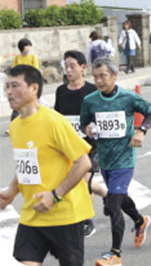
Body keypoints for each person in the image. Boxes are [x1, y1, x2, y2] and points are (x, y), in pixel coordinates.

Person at [0, 65, 93, 265]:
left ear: (34, 88)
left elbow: (83, 162)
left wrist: (55, 195)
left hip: (65, 216)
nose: (8, 92)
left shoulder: (54, 122)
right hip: (32, 214)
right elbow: (29, 165)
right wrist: (12, 191)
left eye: (15, 85)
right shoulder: (15, 126)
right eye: (6, 86)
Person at [80, 57, 151, 266]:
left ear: (115, 75)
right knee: (120, 198)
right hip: (105, 158)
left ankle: (115, 254)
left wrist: (141, 131)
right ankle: (140, 221)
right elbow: (83, 123)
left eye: (103, 76)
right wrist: (87, 129)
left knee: (113, 203)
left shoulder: (128, 97)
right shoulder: (90, 101)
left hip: (125, 158)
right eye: (95, 77)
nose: (99, 81)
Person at [54, 50, 106, 238]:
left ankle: (87, 221)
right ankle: (105, 193)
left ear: (83, 68)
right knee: (80, 181)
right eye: (65, 66)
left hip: (90, 145)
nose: (68, 70)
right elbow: (58, 118)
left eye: (72, 66)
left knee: (84, 182)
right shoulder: (61, 91)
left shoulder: (92, 90)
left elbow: (101, 115)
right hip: (68, 146)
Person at [8, 38, 40, 129]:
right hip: (19, 85)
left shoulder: (33, 57)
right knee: (18, 104)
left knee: (33, 103)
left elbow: (36, 70)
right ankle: (13, 126)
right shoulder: (17, 58)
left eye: (29, 45)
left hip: (30, 84)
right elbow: (14, 72)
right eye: (27, 45)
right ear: (22, 47)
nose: (29, 47)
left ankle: (36, 122)